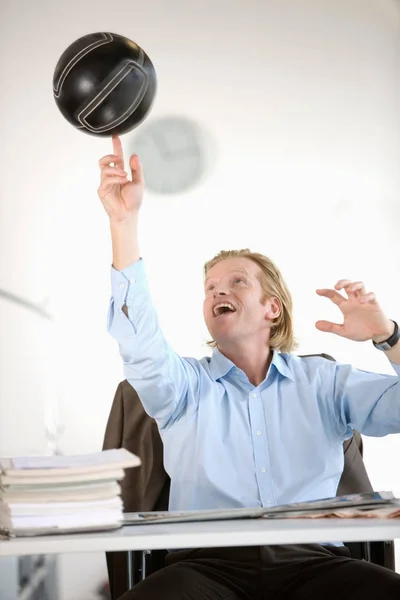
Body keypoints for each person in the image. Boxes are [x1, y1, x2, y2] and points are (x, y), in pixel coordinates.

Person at [98, 136, 400, 599]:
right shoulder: (182, 388)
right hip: (206, 567)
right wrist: (124, 222)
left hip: (314, 565)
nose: (219, 292)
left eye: (237, 282)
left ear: (271, 309)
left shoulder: (325, 382)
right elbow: (139, 343)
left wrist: (389, 337)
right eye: (211, 287)